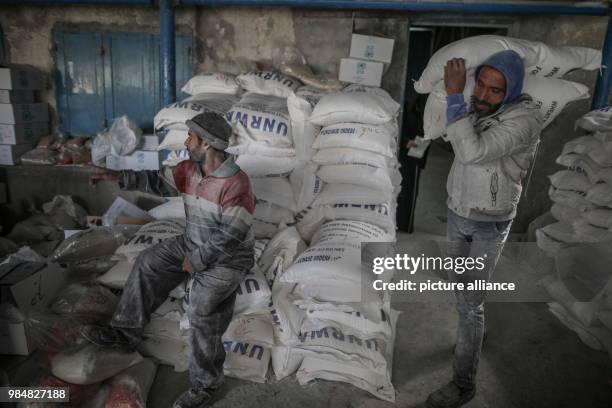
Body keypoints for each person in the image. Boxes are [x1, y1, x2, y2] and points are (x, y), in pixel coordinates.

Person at [82, 111, 256, 408]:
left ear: (207, 144)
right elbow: (159, 182)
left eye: (191, 137)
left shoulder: (236, 184)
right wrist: (120, 177)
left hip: (228, 258)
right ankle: (125, 332)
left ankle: (206, 385)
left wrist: (197, 261)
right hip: (191, 242)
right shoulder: (189, 169)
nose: (187, 142)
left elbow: (231, 236)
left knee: (202, 307)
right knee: (148, 262)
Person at [426, 50, 543, 408]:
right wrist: (458, 101)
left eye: (496, 90)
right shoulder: (475, 108)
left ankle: (464, 385)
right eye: (482, 86)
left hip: (489, 222)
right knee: (459, 287)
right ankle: (473, 334)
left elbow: (474, 152)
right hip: (458, 211)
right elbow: (453, 140)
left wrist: (456, 95)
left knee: (469, 306)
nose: (484, 95)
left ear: (511, 92)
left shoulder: (524, 121)